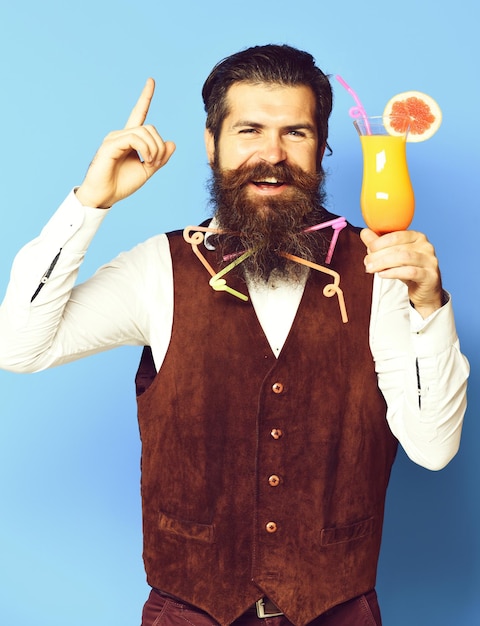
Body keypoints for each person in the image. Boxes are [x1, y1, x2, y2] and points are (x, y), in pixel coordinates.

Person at [0, 44, 469, 626]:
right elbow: (19, 347)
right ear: (211, 143)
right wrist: (89, 204)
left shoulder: (378, 267)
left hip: (339, 610)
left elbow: (434, 446)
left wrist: (428, 304)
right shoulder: (158, 269)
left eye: (295, 132)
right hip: (188, 611)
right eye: (249, 130)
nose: (271, 155)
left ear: (323, 149)